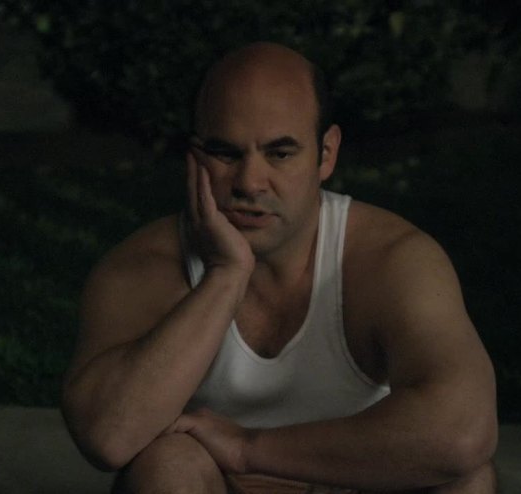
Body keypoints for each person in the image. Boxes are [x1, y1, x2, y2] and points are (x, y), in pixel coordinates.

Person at [61, 42, 498, 493]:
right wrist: (226, 274)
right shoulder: (143, 267)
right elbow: (107, 438)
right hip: (215, 486)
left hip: (350, 482)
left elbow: (463, 431)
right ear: (196, 158)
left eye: (280, 154)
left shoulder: (392, 258)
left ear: (326, 154)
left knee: (467, 481)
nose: (250, 183)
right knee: (164, 465)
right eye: (226, 153)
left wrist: (248, 449)